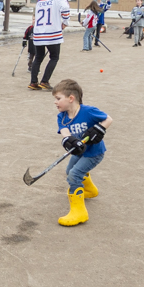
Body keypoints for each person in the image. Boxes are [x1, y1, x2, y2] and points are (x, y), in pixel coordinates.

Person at [51, 79, 112, 227]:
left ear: (71, 98)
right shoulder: (62, 116)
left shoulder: (88, 111)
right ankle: (89, 190)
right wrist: (68, 140)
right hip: (79, 151)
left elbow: (108, 119)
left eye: (58, 98)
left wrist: (99, 129)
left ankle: (79, 213)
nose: (55, 102)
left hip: (94, 153)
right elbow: (64, 131)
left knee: (74, 175)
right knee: (69, 171)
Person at [28, 0, 69, 91]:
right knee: (54, 57)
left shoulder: (40, 1)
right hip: (52, 32)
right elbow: (66, 10)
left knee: (38, 57)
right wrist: (65, 23)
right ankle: (45, 81)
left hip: (39, 32)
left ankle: (33, 82)